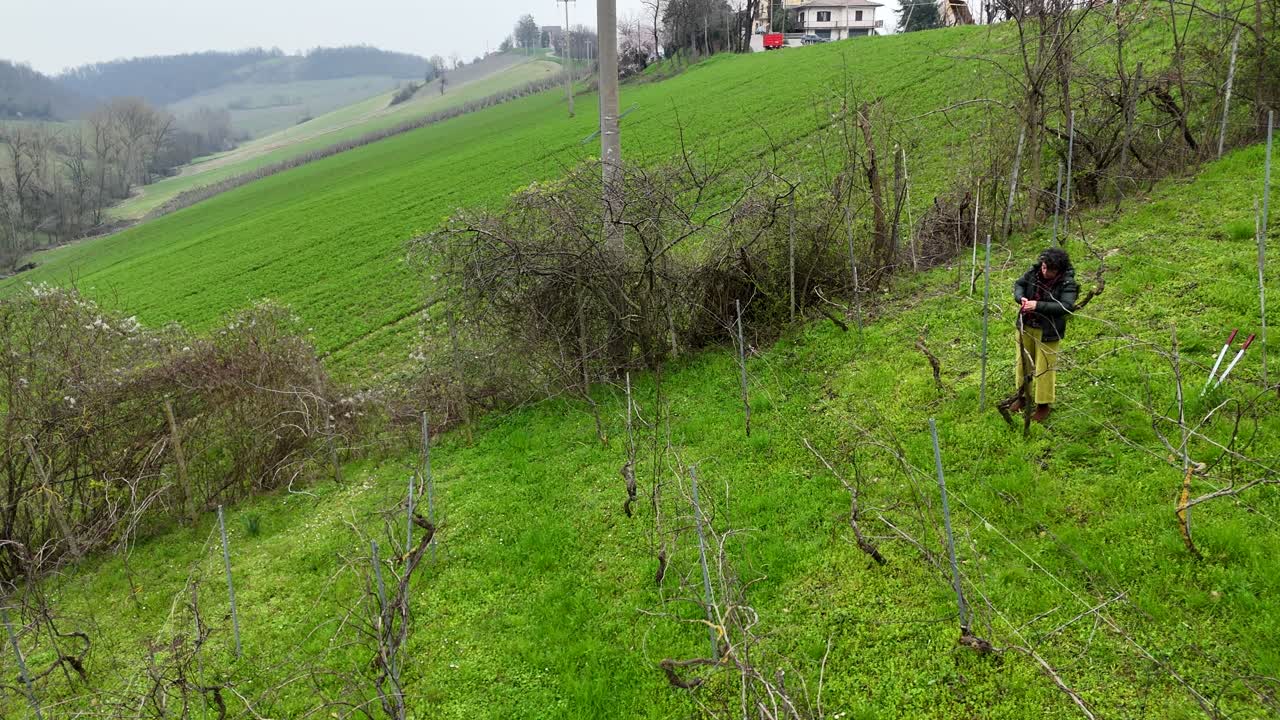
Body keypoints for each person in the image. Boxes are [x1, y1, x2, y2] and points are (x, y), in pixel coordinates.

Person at [1011, 247, 1078, 423]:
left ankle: (1043, 405)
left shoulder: (1067, 283)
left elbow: (1066, 306)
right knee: (1022, 364)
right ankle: (1022, 397)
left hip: (1048, 331)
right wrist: (1021, 298)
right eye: (1043, 267)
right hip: (1026, 325)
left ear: (1059, 270)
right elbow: (1019, 284)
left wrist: (1038, 305)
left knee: (1045, 368)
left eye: (1050, 269)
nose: (1045, 271)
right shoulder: (1034, 273)